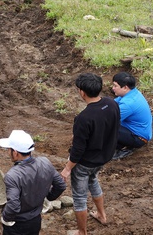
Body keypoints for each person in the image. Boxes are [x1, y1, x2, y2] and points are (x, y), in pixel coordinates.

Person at [61, 73, 120, 235]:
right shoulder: (111, 103)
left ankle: (82, 232)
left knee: (79, 198)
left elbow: (78, 150)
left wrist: (67, 169)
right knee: (93, 180)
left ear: (82, 92)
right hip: (104, 157)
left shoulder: (83, 118)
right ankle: (101, 215)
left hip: (85, 163)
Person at [0, 130, 66, 235]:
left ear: (15, 152)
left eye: (9, 149)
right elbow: (60, 185)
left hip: (17, 225)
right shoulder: (45, 162)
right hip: (35, 221)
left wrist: (6, 218)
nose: (8, 152)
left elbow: (13, 205)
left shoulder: (13, 175)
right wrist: (48, 197)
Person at [111, 72, 152, 160]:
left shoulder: (128, 104)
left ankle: (119, 148)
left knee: (105, 127)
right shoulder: (132, 93)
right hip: (136, 130)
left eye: (115, 86)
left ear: (125, 87)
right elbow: (113, 104)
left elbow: (109, 120)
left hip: (139, 138)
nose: (113, 88)